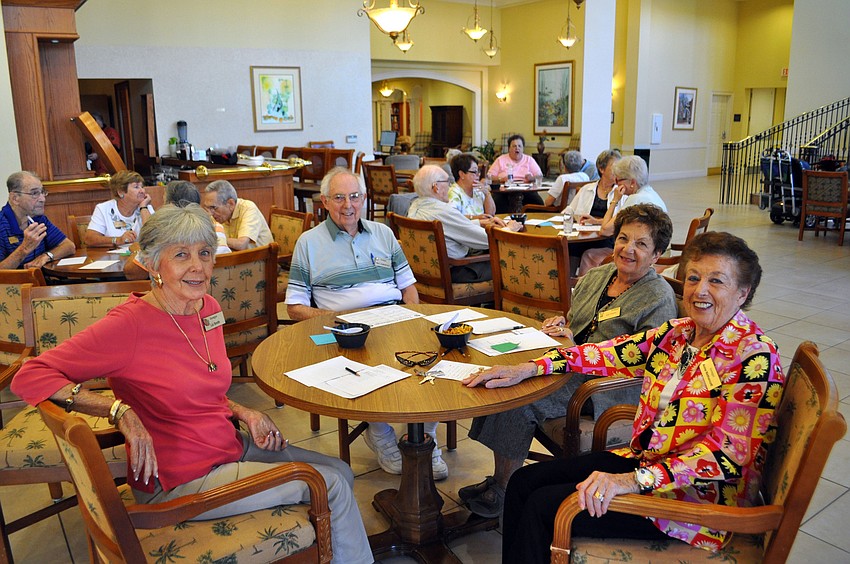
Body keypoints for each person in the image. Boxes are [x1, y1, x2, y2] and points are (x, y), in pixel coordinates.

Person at [11, 204, 373, 564]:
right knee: (330, 485)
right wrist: (119, 411)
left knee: (340, 470)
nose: (198, 267)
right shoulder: (129, 325)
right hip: (180, 479)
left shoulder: (208, 307)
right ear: (152, 264)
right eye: (181, 255)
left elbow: (199, 381)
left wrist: (244, 411)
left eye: (205, 253)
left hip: (223, 446)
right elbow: (30, 375)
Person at [462, 231, 783, 563]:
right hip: (649, 463)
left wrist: (631, 480)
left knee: (544, 507)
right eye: (693, 277)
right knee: (524, 482)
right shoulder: (680, 333)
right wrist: (529, 368)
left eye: (716, 281)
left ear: (743, 293)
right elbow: (607, 352)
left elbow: (727, 456)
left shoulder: (753, 357)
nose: (700, 290)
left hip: (694, 501)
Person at [459, 204, 678, 518]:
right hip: (572, 363)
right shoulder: (601, 274)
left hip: (605, 388)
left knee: (523, 398)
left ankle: (504, 490)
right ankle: (500, 479)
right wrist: (562, 327)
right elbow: (578, 323)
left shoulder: (658, 298)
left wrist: (576, 349)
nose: (627, 249)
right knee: (509, 376)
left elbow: (644, 363)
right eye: (623, 239)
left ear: (657, 254)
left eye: (641, 244)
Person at [285, 167, 449, 479]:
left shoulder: (383, 233)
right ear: (324, 202)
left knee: (435, 361)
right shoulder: (309, 243)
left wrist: (411, 315)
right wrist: (340, 321)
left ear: (364, 199)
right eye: (339, 198)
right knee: (368, 368)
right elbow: (295, 307)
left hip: (393, 317)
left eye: (355, 196)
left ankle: (427, 440)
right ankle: (381, 434)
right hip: (343, 328)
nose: (348, 205)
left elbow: (408, 287)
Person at [409, 165, 522, 283]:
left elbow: (453, 227)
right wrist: (509, 229)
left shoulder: (414, 206)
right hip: (456, 271)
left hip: (427, 274)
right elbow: (486, 240)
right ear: (436, 187)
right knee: (511, 262)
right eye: (447, 182)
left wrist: (481, 223)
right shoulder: (444, 211)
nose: (450, 186)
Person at [578, 155, 667, 275]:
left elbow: (605, 231)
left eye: (618, 180)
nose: (616, 184)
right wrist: (597, 221)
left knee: (589, 255)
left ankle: (586, 291)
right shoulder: (650, 192)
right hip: (655, 252)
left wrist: (615, 200)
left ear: (632, 182)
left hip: (643, 257)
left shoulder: (635, 200)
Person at [562, 149, 622, 274]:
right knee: (569, 247)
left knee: (584, 249)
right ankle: (568, 283)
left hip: (606, 237)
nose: (618, 171)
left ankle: (583, 286)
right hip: (584, 235)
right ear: (602, 169)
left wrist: (597, 222)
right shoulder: (587, 189)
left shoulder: (620, 193)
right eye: (614, 167)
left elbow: (619, 221)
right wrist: (570, 218)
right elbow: (569, 210)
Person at [0, 171, 75, 269]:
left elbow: (69, 246)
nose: (42, 199)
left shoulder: (38, 218)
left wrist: (46, 256)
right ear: (15, 198)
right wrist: (24, 249)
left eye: (42, 192)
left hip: (43, 280)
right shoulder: (2, 225)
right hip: (18, 284)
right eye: (35, 193)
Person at [85, 170, 154, 248]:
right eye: (136, 187)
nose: (142, 191)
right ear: (121, 192)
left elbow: (154, 236)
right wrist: (118, 240)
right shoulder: (103, 209)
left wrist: (143, 207)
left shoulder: (145, 207)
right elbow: (90, 239)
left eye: (142, 187)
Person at [201, 179, 273, 250]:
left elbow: (241, 244)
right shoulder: (216, 214)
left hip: (259, 260)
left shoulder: (248, 208)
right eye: (207, 208)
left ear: (230, 204)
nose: (210, 213)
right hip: (234, 258)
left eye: (213, 207)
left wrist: (214, 240)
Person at [488, 134, 544, 210]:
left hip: (526, 190)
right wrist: (501, 178)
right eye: (514, 146)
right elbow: (489, 176)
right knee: (496, 204)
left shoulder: (529, 160)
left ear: (523, 148)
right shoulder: (500, 160)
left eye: (519, 146)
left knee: (539, 204)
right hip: (504, 191)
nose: (517, 148)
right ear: (509, 148)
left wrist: (532, 178)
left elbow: (540, 176)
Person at [447, 153, 502, 226]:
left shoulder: (477, 189)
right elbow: (453, 218)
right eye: (474, 172)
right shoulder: (454, 192)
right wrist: (475, 218)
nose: (478, 175)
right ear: (462, 174)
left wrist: (487, 193)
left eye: (478, 171)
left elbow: (491, 214)